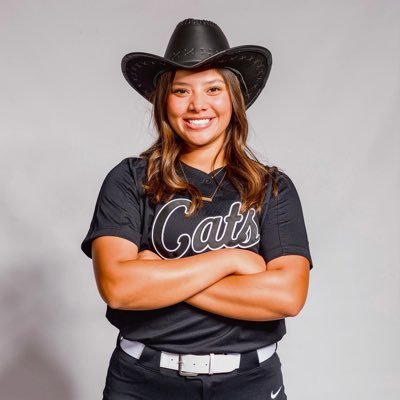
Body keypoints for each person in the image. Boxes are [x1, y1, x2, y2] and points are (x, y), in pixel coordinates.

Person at [81, 18, 313, 400]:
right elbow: (119, 288)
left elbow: (287, 296)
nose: (197, 104)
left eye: (213, 88)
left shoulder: (271, 187)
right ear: (164, 100)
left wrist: (156, 274)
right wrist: (231, 260)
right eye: (181, 90)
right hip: (143, 383)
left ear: (233, 98)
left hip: (249, 384)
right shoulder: (129, 179)